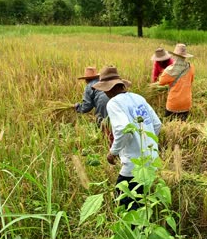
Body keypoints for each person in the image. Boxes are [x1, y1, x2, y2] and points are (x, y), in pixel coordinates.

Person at [92, 66, 162, 210]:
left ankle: (132, 231)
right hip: (151, 159)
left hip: (134, 163)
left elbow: (123, 130)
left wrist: (113, 152)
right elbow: (157, 124)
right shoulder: (138, 98)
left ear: (108, 89)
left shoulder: (114, 103)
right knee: (142, 201)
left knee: (124, 200)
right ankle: (143, 229)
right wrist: (146, 142)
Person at [74, 66, 112, 145]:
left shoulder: (89, 86)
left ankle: (107, 144)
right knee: (113, 122)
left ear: (86, 79)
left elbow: (87, 106)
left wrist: (78, 107)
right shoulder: (102, 81)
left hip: (103, 102)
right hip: (114, 99)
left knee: (102, 123)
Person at [158, 43, 195, 121]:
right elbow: (191, 81)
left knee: (168, 124)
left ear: (174, 56)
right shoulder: (190, 67)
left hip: (174, 103)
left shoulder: (170, 70)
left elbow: (161, 82)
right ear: (185, 56)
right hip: (186, 102)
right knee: (183, 127)